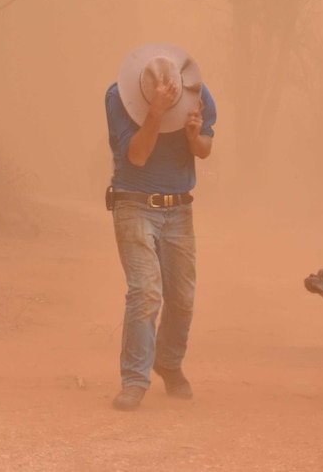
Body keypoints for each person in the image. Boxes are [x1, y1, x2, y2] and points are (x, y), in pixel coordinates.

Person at [104, 42, 217, 411]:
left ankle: (168, 362)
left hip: (179, 208)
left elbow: (204, 149)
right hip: (133, 203)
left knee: (182, 298)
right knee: (146, 292)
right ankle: (135, 380)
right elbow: (136, 156)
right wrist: (155, 112)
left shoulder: (200, 96)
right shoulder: (117, 98)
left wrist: (191, 136)